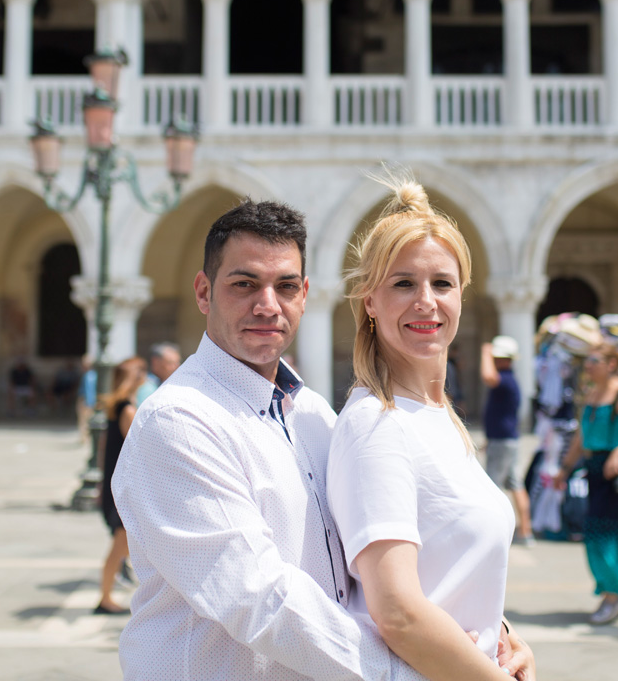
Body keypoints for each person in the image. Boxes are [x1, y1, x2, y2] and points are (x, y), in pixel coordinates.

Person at [112, 199, 534, 681]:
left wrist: (491, 636)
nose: (267, 304)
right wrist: (414, 670)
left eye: (285, 286)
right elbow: (259, 599)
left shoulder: (311, 412)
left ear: (306, 295)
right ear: (204, 292)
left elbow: (380, 564)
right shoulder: (179, 422)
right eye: (244, 284)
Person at [328, 179, 536, 681]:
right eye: (403, 284)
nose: (426, 301)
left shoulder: (438, 417)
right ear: (369, 301)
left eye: (441, 283)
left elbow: (446, 572)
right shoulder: (375, 426)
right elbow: (397, 612)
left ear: (461, 295)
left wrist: (504, 637)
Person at [553, 341, 618, 625]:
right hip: (595, 468)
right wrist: (565, 468)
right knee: (596, 531)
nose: (588, 365)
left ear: (611, 364)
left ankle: (616, 594)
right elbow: (581, 436)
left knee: (610, 532)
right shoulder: (592, 393)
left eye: (594, 360)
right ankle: (616, 591)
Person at [96, 356, 147, 615]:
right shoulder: (126, 409)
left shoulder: (116, 407)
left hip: (114, 481)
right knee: (119, 547)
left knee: (123, 546)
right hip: (123, 485)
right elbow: (138, 445)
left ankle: (110, 593)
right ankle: (105, 598)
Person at [481, 335, 535, 546]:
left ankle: (494, 533)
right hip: (505, 439)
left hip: (502, 441)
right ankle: (526, 530)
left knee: (492, 486)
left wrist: (485, 352)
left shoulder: (505, 380)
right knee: (515, 483)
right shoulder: (510, 379)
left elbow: (487, 376)